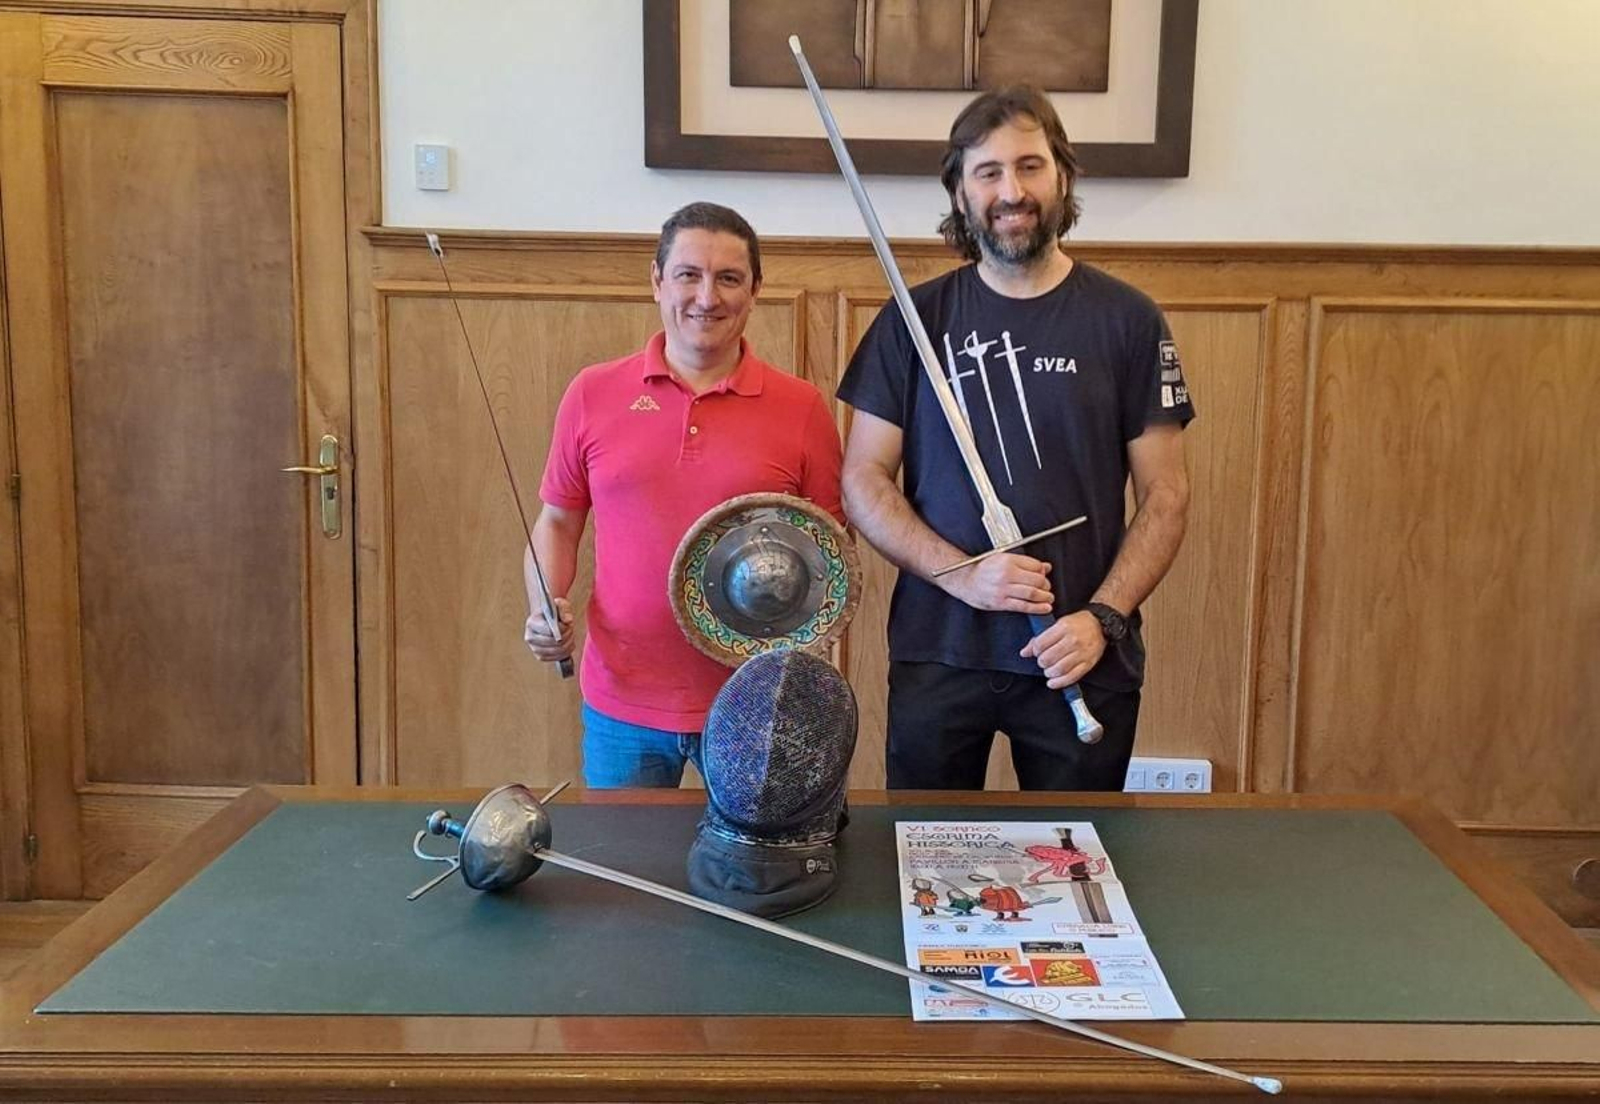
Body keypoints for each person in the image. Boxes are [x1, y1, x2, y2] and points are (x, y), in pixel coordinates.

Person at [836, 85, 1193, 792]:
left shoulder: (1128, 321)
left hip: (1080, 654)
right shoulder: (913, 320)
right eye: (988, 172)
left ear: (1062, 175)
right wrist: (963, 576)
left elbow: (1166, 496)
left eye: (1030, 166)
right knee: (925, 850)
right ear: (960, 191)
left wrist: (1104, 618)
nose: (1011, 191)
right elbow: (863, 479)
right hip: (940, 652)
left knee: (1078, 853)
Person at [525, 202, 844, 788]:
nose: (707, 297)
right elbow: (558, 521)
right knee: (625, 850)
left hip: (759, 703)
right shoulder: (592, 392)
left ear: (755, 291)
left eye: (729, 278)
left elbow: (831, 552)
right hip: (622, 701)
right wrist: (546, 604)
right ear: (657, 281)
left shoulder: (802, 408)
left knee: (762, 852)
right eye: (688, 275)